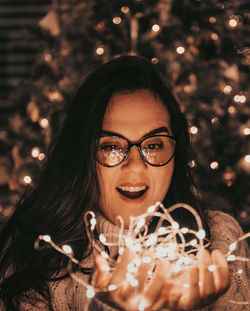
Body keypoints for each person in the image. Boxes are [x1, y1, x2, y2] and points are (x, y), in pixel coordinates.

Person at [0, 56, 249, 311]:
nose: (135, 165)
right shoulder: (34, 254)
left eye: (153, 145)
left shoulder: (219, 241)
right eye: (111, 147)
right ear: (81, 156)